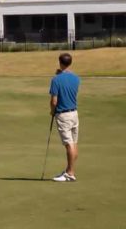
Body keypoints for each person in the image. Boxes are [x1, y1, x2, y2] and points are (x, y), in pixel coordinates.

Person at [49, 52, 80, 182]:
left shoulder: (56, 80)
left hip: (63, 115)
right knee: (73, 143)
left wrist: (52, 112)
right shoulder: (76, 78)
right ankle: (68, 170)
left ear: (60, 62)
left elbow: (54, 101)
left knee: (69, 145)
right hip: (74, 114)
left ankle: (70, 173)